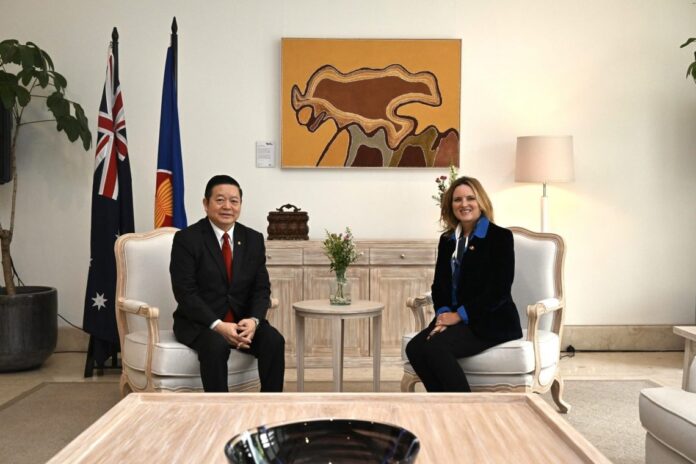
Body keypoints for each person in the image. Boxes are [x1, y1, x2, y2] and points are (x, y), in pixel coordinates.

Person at [406, 176, 522, 392]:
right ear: (450, 205)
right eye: (457, 200)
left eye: (470, 198)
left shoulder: (500, 237)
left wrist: (458, 316)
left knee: (435, 348)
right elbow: (439, 286)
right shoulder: (447, 240)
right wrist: (443, 316)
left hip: (490, 320)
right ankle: (443, 406)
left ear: (481, 202)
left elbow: (499, 291)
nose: (464, 204)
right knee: (414, 348)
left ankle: (467, 407)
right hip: (453, 318)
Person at [170, 175, 285, 392]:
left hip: (242, 321)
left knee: (274, 341)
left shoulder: (253, 239)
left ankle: (270, 405)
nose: (227, 207)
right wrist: (218, 325)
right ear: (206, 204)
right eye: (220, 200)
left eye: (234, 201)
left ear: (240, 205)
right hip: (201, 323)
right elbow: (185, 292)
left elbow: (261, 289)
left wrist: (253, 320)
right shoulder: (187, 239)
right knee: (216, 345)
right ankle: (220, 408)